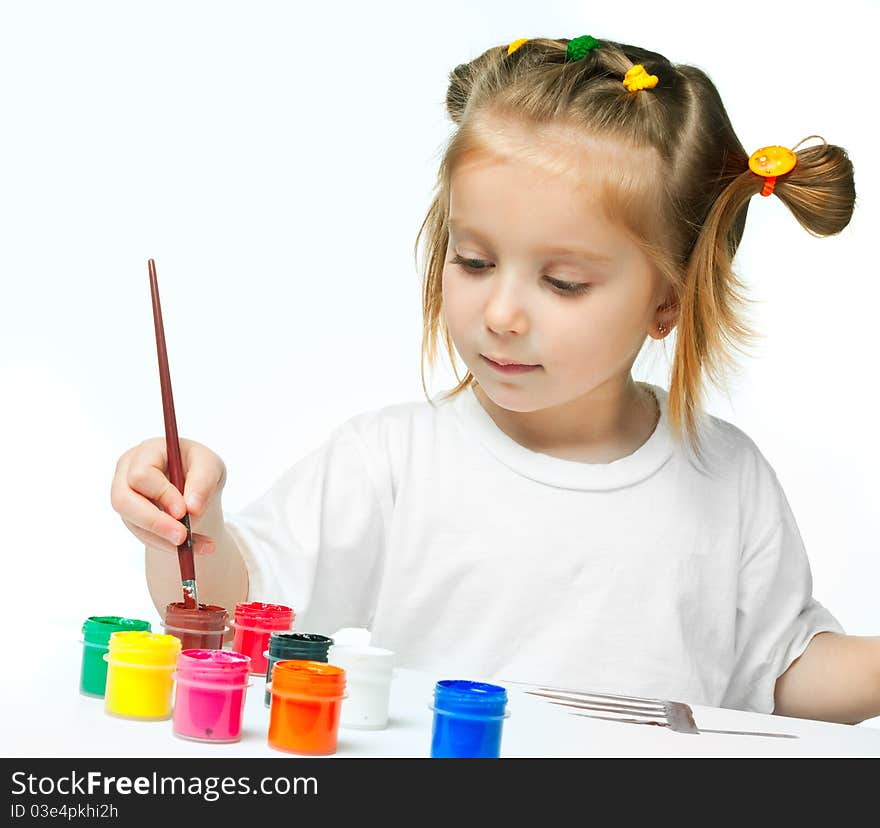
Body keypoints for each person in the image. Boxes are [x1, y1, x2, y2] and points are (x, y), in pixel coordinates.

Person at [110, 35, 879, 724]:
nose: (502, 313)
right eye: (473, 261)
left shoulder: (728, 480)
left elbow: (784, 673)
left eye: (564, 282)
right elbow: (235, 608)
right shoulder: (390, 465)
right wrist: (190, 530)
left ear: (668, 302)